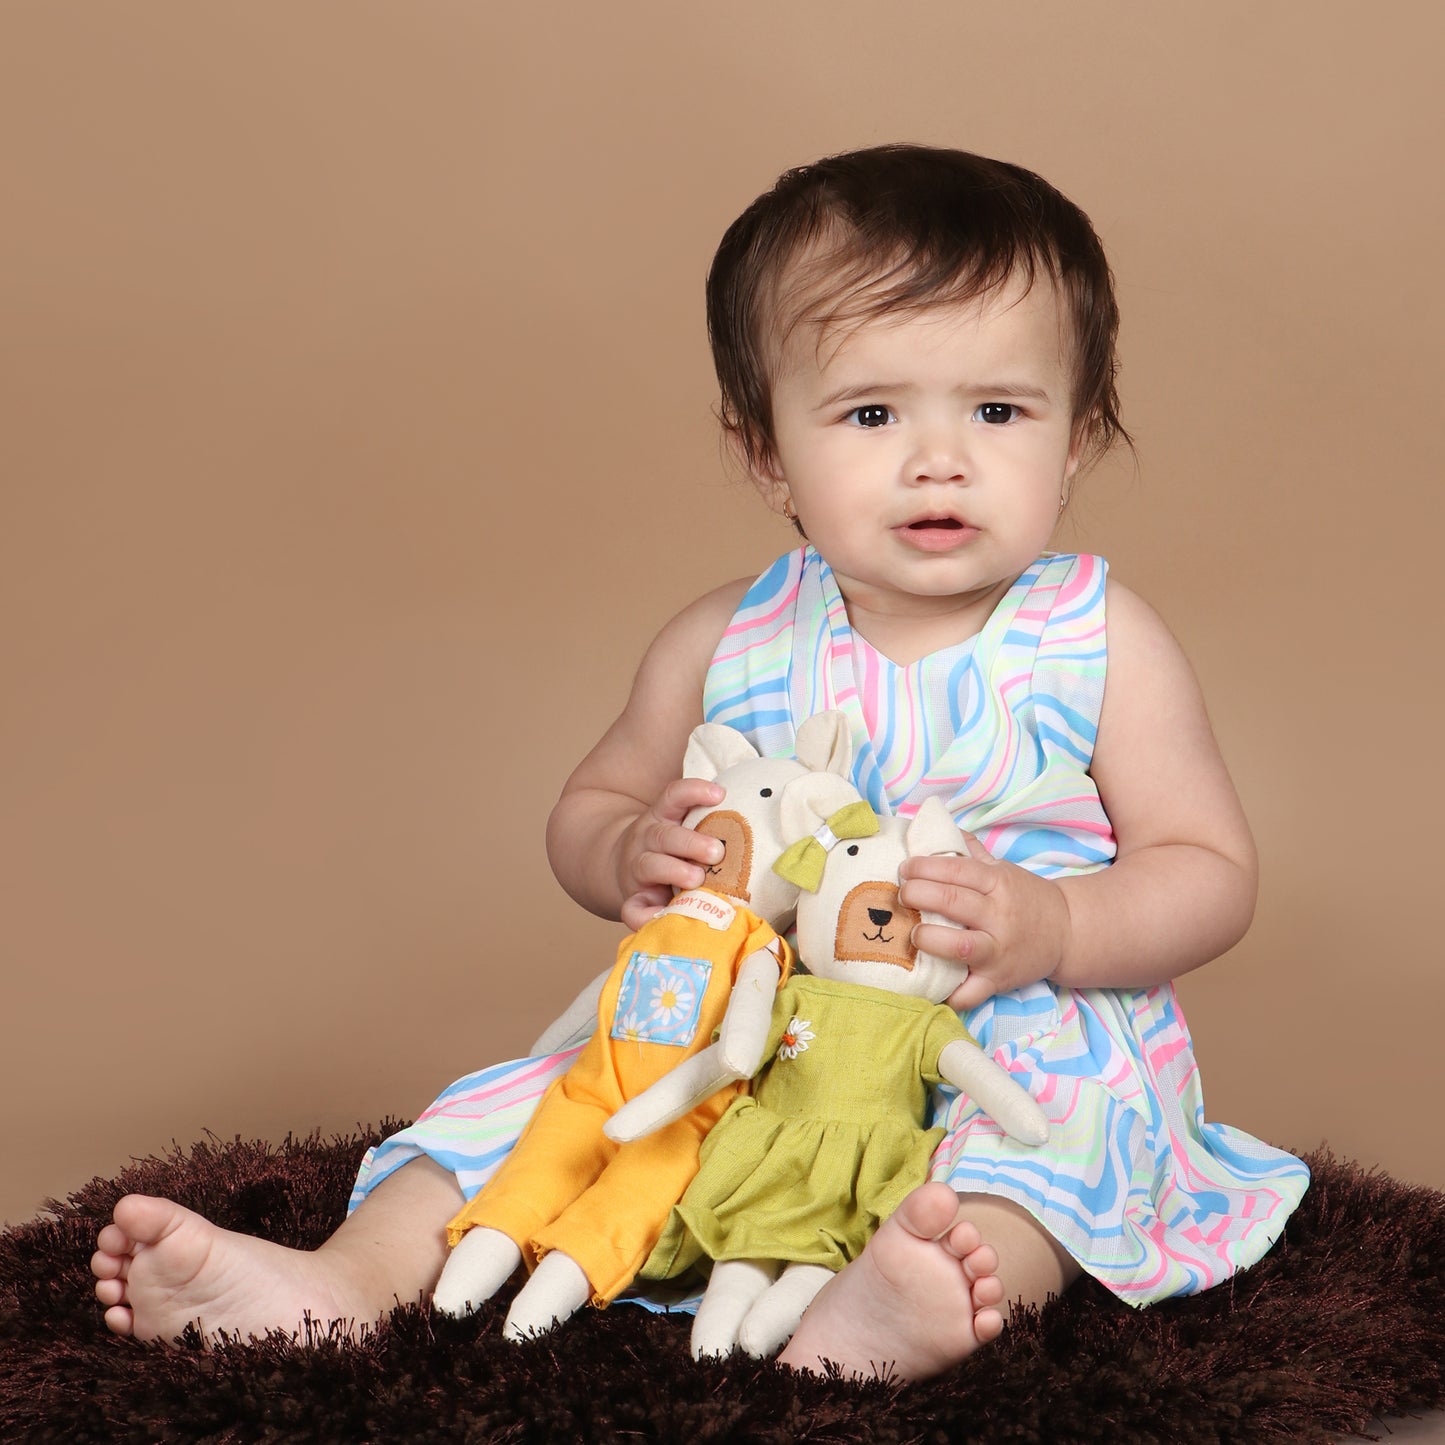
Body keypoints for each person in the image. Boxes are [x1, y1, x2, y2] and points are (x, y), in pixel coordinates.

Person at [90, 144, 1310, 1381]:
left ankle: (909, 1293)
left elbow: (1205, 867)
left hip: (1006, 1027)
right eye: (871, 413)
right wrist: (627, 847)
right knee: (535, 1100)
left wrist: (1053, 925)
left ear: (1077, 434)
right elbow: (595, 802)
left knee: (1047, 1147)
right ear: (766, 451)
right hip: (754, 1028)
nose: (937, 459)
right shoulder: (726, 638)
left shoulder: (1095, 636)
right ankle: (341, 1279)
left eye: (997, 410)